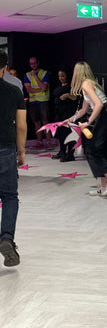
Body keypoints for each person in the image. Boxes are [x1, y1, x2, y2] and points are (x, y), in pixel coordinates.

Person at [65, 61, 107, 197]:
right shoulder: (88, 84)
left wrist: (88, 122)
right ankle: (104, 186)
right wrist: (69, 120)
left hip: (106, 116)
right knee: (99, 150)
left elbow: (99, 104)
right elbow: (83, 110)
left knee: (93, 149)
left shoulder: (86, 84)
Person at [0, 52, 26, 267]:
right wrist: (22, 152)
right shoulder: (14, 90)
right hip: (6, 149)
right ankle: (7, 238)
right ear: (4, 69)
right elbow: (21, 126)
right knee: (9, 197)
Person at [24, 56, 51, 148]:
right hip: (33, 102)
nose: (33, 65)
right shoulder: (27, 75)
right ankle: (39, 141)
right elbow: (29, 90)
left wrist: (35, 76)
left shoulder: (44, 73)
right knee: (36, 123)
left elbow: (44, 87)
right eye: (31, 64)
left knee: (45, 122)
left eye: (35, 63)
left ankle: (48, 141)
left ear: (38, 63)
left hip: (43, 101)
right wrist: (41, 89)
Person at [52, 68, 77, 162]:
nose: (61, 78)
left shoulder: (71, 86)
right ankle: (62, 151)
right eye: (59, 76)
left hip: (68, 113)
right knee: (61, 133)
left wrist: (67, 95)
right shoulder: (58, 86)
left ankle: (70, 153)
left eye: (62, 76)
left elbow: (75, 97)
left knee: (68, 133)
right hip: (59, 113)